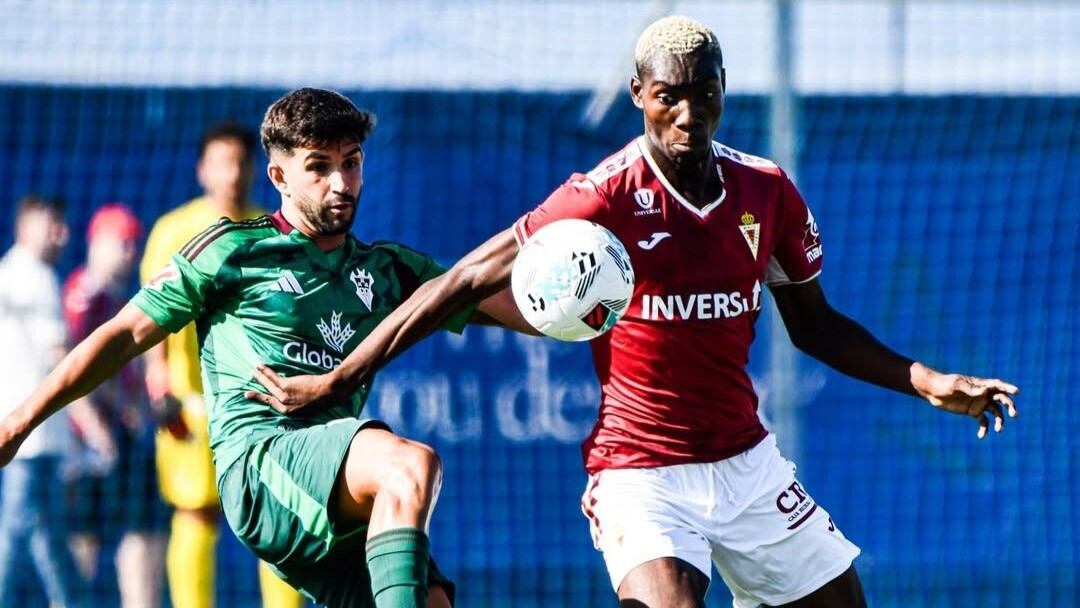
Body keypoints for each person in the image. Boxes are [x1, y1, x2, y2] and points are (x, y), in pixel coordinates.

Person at [243, 16, 1020, 608]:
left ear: (723, 90)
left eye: (703, 90)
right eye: (669, 94)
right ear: (641, 96)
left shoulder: (766, 191)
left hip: (748, 467)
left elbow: (815, 325)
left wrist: (923, 379)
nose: (687, 111)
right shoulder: (604, 194)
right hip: (641, 474)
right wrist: (342, 375)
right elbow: (464, 279)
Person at [0, 87, 526, 608]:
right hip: (260, 463)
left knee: (432, 600)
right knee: (409, 466)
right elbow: (124, 334)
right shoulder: (232, 249)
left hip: (335, 489)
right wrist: (19, 421)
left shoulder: (388, 269)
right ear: (279, 177)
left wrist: (590, 304)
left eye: (351, 162)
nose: (340, 183)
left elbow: (511, 303)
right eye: (318, 167)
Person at [139, 122, 304, 608]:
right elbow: (149, 315)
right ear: (203, 170)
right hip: (193, 409)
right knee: (196, 515)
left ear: (256, 169)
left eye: (240, 162)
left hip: (262, 405)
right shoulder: (173, 229)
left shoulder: (275, 229)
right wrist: (158, 379)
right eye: (221, 163)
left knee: (278, 516)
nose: (232, 173)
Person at [63, 203, 168, 607]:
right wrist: (98, 427)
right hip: (91, 444)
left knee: (145, 529)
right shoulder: (82, 295)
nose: (130, 253)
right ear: (97, 243)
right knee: (81, 539)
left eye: (134, 245)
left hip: (122, 438)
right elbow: (70, 367)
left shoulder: (119, 299)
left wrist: (144, 407)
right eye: (122, 244)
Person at [0, 195, 83, 606]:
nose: (62, 235)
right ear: (25, 227)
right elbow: (62, 360)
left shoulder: (9, 275)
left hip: (29, 434)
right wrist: (93, 422)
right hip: (30, 437)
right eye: (52, 226)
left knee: (38, 531)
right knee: (20, 531)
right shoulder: (35, 278)